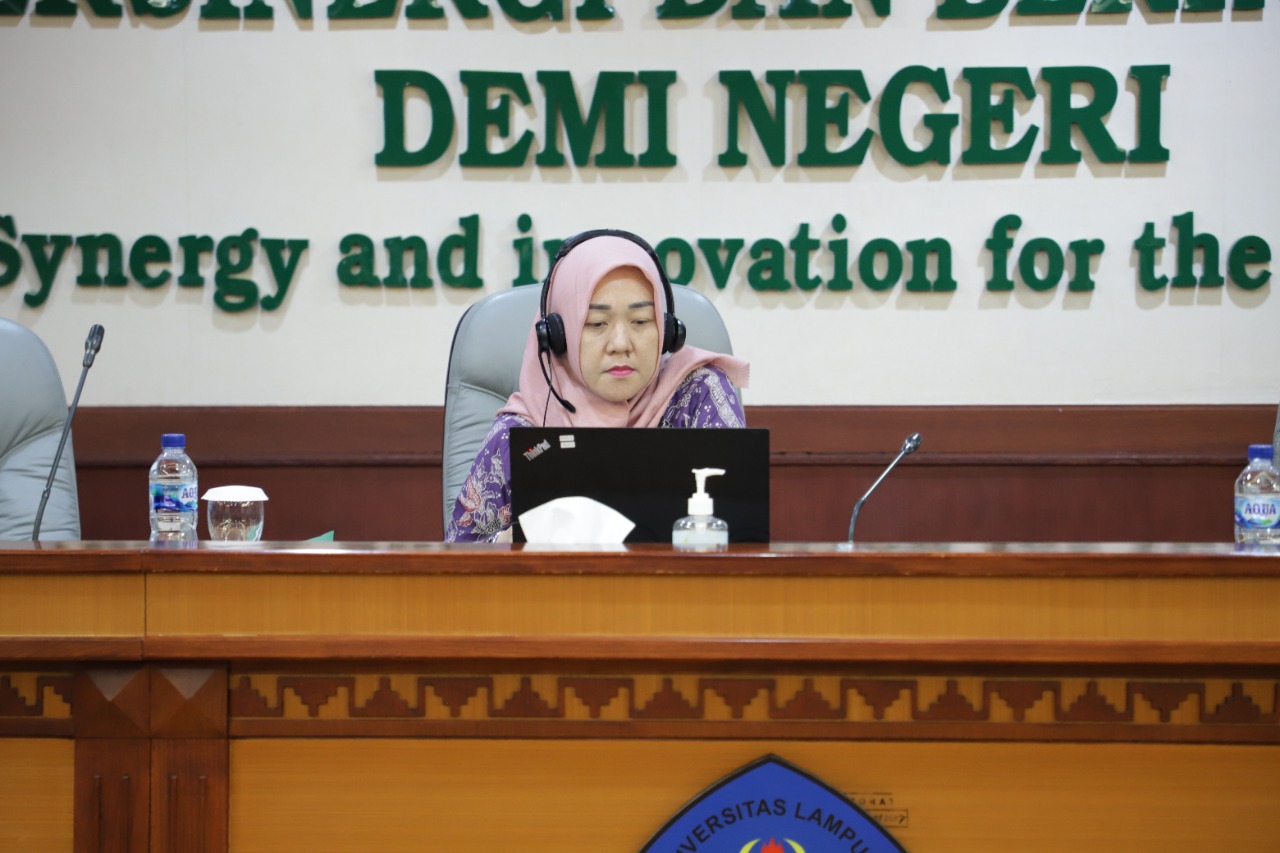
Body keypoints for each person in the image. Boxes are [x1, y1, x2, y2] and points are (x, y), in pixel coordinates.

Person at [445, 230, 750, 543]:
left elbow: (741, 532)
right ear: (559, 336)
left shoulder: (699, 394)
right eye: (596, 324)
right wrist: (511, 541)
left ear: (666, 331)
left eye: (640, 321)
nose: (620, 344)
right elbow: (459, 554)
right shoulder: (519, 434)